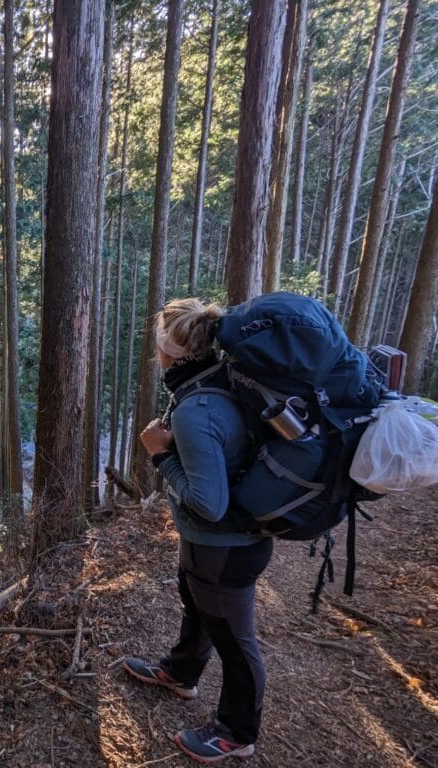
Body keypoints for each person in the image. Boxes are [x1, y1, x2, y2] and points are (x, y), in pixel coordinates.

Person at [122, 297, 273, 764]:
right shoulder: (212, 381)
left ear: (170, 351)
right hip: (216, 546)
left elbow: (209, 504)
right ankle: (181, 673)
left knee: (235, 640)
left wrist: (160, 454)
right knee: (197, 603)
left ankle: (236, 732)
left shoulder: (196, 408)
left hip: (225, 546)